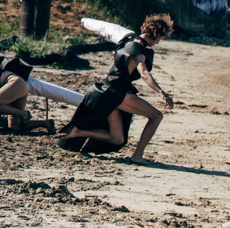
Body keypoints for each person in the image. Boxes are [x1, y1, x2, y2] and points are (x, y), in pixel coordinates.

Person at [59, 15, 175, 163]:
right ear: (156, 33)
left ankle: (77, 132)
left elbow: (110, 29)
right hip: (116, 94)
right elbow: (144, 74)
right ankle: (137, 155)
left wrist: (85, 22)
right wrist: (161, 92)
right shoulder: (138, 51)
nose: (159, 42)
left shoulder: (128, 39)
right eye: (161, 38)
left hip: (106, 91)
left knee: (117, 138)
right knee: (156, 116)